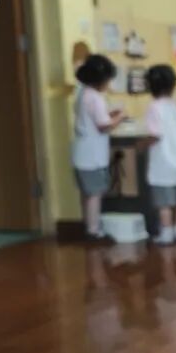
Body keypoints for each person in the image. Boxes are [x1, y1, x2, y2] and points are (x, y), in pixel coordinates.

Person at [72, 54, 124, 243]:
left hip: (81, 155)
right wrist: (121, 117)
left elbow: (93, 117)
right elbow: (104, 125)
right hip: (92, 157)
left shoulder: (82, 93)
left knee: (86, 194)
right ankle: (94, 232)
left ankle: (88, 227)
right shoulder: (96, 97)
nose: (109, 84)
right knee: (95, 194)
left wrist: (110, 114)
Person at [143, 64, 176, 246]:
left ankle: (166, 233)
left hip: (162, 163)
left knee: (164, 203)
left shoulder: (154, 108)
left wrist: (141, 144)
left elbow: (155, 134)